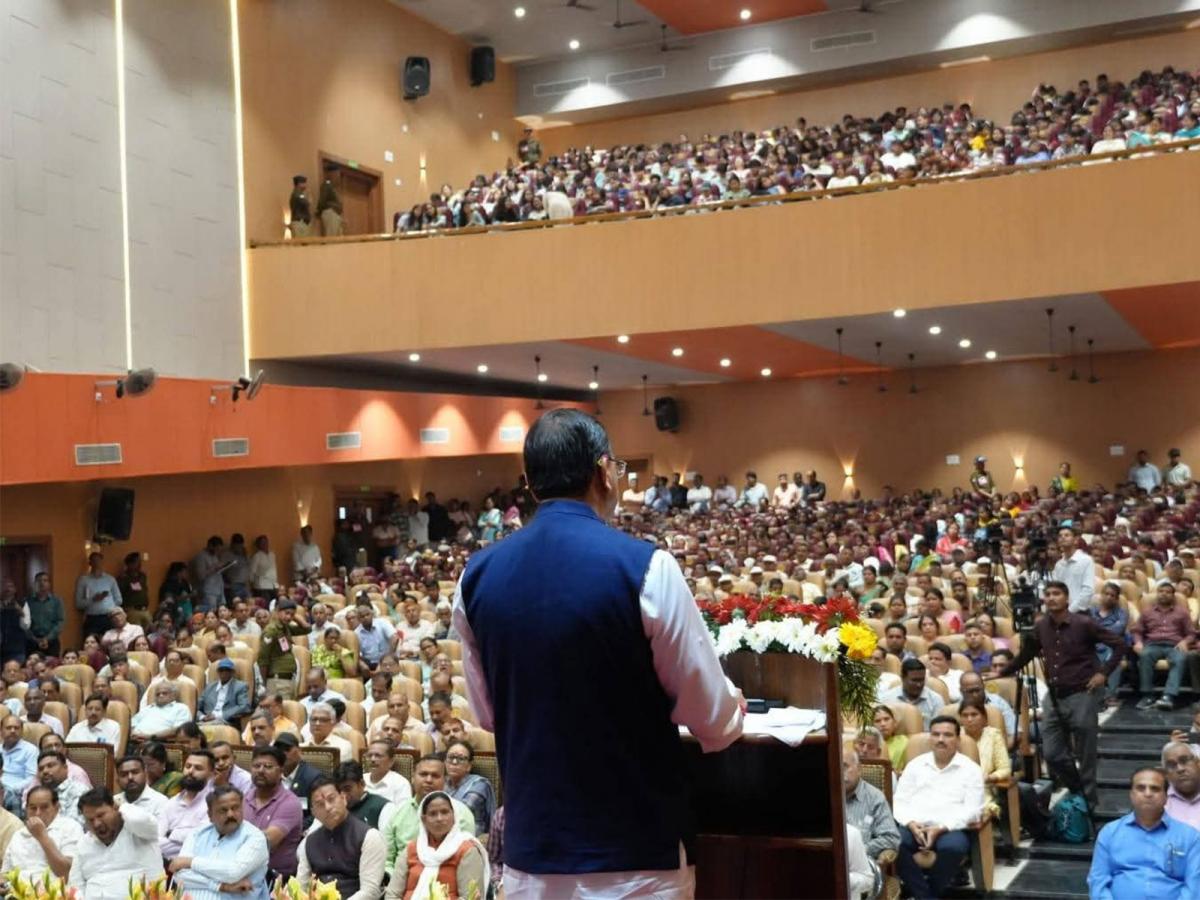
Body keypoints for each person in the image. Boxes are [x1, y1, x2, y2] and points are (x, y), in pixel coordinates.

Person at [454, 409, 742, 896]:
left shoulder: (475, 577)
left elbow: (487, 714)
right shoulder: (647, 567)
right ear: (604, 471)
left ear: (530, 482)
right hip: (637, 855)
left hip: (535, 856)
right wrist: (734, 705)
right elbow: (711, 719)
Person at [990, 580, 1125, 808]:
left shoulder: (1084, 623)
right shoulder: (1041, 626)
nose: (1051, 597)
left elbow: (1119, 644)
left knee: (1085, 752)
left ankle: (1088, 802)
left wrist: (1103, 673)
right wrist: (1003, 671)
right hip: (1054, 695)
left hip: (1083, 692)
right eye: (1048, 594)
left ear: (1067, 598)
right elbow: (1027, 654)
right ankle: (1078, 790)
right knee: (1052, 754)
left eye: (1056, 594)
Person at [893, 716, 986, 900]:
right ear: (930, 738)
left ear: (958, 740)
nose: (940, 739)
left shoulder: (971, 769)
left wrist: (941, 828)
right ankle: (926, 896)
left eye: (947, 735)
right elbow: (899, 801)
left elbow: (974, 811)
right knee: (893, 844)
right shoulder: (915, 765)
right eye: (935, 734)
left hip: (950, 829)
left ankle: (925, 895)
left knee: (953, 848)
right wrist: (910, 823)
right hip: (915, 827)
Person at [1088, 766, 1200, 898]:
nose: (1148, 794)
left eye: (1155, 789)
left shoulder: (1189, 837)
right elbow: (1098, 881)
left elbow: (1194, 887)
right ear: (1131, 795)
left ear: (1166, 797)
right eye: (1141, 788)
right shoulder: (1110, 833)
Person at [170, 784, 269, 900]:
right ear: (210, 815)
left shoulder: (255, 837)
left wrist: (190, 862)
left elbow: (233, 872)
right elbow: (179, 875)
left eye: (235, 808)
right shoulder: (197, 834)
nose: (230, 814)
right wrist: (221, 886)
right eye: (223, 810)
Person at [385, 790, 489, 900]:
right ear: (424, 820)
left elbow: (470, 896)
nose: (439, 818)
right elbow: (392, 894)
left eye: (444, 812)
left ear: (454, 816)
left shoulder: (466, 851)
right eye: (433, 814)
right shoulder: (412, 849)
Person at [296, 777, 386, 900]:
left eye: (331, 799)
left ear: (343, 798)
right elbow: (301, 887)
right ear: (313, 812)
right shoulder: (309, 842)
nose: (327, 807)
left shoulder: (370, 837)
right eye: (320, 804)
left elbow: (370, 892)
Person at [384, 755, 475, 875]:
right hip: (402, 878)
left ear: (445, 780)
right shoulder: (398, 813)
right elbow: (387, 859)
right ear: (413, 777)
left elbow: (466, 858)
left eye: (435, 776)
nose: (428, 780)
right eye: (423, 774)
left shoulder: (461, 813)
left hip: (446, 878)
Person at [69, 788, 165, 899]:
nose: (96, 824)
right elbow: (75, 886)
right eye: (90, 820)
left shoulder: (140, 831)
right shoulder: (84, 843)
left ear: (115, 808)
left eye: (101, 815)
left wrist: (122, 806)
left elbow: (140, 820)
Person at [843, 749, 899, 900]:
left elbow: (891, 838)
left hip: (861, 870)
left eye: (844, 766)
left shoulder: (874, 798)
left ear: (859, 768)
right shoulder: (825, 794)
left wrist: (859, 850)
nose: (839, 772)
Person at [1, 783, 83, 885]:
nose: (38, 813)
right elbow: (6, 875)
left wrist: (42, 836)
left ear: (57, 807)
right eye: (33, 808)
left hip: (55, 892)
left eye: (44, 807)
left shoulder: (70, 827)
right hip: (17, 891)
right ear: (26, 809)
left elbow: (66, 874)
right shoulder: (18, 835)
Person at [243, 745, 304, 881]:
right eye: (256, 766)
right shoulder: (244, 797)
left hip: (275, 878)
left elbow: (266, 842)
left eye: (268, 766)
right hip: (243, 871)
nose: (261, 770)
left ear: (281, 771)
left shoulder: (290, 802)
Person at [1132, 580, 1193, 711]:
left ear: (1173, 595)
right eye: (1161, 591)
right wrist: (1138, 642)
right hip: (1153, 644)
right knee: (1144, 656)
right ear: (1157, 594)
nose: (1164, 594)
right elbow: (1137, 631)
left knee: (1180, 659)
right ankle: (1148, 696)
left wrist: (1185, 641)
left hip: (1174, 645)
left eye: (1168, 592)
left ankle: (1168, 696)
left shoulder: (1182, 612)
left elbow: (1191, 633)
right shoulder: (1147, 612)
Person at [159, 749, 216, 858]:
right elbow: (156, 841)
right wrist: (184, 840)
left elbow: (202, 840)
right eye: (188, 766)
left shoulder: (214, 803)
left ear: (212, 774)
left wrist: (171, 833)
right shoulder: (171, 802)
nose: (190, 771)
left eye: (198, 768)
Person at [442, 740, 494, 841]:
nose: (454, 762)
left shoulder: (479, 785)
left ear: (469, 766)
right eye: (451, 757)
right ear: (445, 762)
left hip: (470, 838)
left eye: (461, 758)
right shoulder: (441, 782)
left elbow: (459, 814)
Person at [259, 601, 306, 699]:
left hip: (288, 679)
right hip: (277, 681)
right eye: (286, 613)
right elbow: (263, 659)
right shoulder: (271, 630)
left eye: (292, 615)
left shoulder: (285, 628)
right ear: (277, 612)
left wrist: (295, 617)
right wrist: (265, 682)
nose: (289, 617)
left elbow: (307, 629)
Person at [879, 659, 942, 730]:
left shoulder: (935, 700)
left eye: (921, 680)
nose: (919, 684)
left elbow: (939, 729)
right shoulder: (887, 699)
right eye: (914, 680)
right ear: (903, 678)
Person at [336, 761, 398, 833]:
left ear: (362, 784)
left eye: (347, 789)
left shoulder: (384, 808)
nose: (343, 795)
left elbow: (385, 839)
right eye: (339, 791)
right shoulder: (336, 809)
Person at [75, 553, 123, 640]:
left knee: (111, 642)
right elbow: (79, 604)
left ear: (102, 562)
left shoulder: (110, 579)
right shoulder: (84, 580)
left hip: (109, 617)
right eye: (94, 561)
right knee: (91, 642)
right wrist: (93, 599)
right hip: (92, 619)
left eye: (98, 561)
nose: (97, 563)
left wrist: (110, 607)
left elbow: (119, 600)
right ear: (90, 563)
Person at [1051, 526, 1096, 613]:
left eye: (1066, 535)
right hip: (1061, 611)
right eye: (1060, 536)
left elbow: (1088, 591)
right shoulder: (1059, 565)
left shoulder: (1086, 560)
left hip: (1080, 612)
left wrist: (1070, 611)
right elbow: (1056, 589)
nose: (1063, 537)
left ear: (1075, 540)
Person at [274, 735, 322, 814]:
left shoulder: (313, 777)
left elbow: (316, 813)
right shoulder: (272, 775)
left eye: (287, 749)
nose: (283, 753)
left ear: (299, 751)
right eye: (279, 750)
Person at [199, 659, 252, 727]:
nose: (224, 673)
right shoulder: (209, 687)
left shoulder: (240, 686)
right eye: (221, 670)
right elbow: (196, 707)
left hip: (226, 722)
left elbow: (244, 706)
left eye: (227, 670)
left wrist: (218, 716)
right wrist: (202, 717)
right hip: (205, 721)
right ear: (218, 672)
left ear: (232, 672)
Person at [24, 572, 65, 658]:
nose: (42, 583)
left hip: (51, 641)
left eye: (45, 580)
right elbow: (24, 623)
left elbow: (60, 621)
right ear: (34, 584)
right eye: (39, 581)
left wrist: (47, 638)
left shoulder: (56, 601)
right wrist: (34, 639)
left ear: (49, 584)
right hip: (32, 642)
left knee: (52, 664)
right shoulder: (27, 602)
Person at [1162, 741, 1200, 831]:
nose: (1180, 769)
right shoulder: (1160, 804)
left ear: (1198, 763)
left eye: (1184, 761)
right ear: (1166, 774)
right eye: (1171, 765)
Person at [363, 739, 412, 806]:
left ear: (391, 761)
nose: (372, 759)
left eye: (378, 756)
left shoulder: (401, 784)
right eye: (369, 755)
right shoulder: (360, 780)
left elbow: (403, 811)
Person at [0, 715, 37, 795]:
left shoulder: (31, 750)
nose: (13, 731)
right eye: (8, 728)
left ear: (22, 731)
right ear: (1, 731)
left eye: (16, 728)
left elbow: (32, 779)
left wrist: (10, 789)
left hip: (17, 794)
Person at [873, 704, 908, 772]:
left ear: (894, 723)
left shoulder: (904, 741)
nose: (883, 724)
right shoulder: (867, 745)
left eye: (886, 719)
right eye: (877, 721)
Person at [316, 166, 344, 237]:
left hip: (335, 214)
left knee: (338, 237)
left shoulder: (332, 187)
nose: (338, 177)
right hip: (330, 213)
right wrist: (319, 211)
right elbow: (322, 200)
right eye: (337, 174)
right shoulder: (327, 185)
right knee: (331, 236)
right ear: (331, 174)